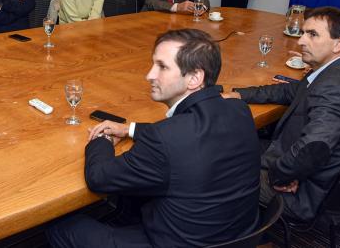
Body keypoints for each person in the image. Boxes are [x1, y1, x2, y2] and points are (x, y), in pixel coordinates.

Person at [47, 29, 260, 247]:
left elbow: (98, 178)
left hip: (177, 242)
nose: (149, 75)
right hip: (236, 236)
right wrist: (130, 129)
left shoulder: (165, 139)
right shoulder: (238, 109)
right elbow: (185, 137)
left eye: (162, 66)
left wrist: (101, 139)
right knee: (133, 202)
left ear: (195, 78)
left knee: (64, 228)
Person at [223, 7, 340, 222]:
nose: (301, 41)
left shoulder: (333, 87)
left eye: (312, 35)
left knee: (217, 170)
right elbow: (290, 90)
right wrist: (240, 94)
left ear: (339, 43)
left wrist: (281, 176)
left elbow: (313, 148)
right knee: (235, 148)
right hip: (314, 172)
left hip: (307, 191)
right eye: (303, 33)